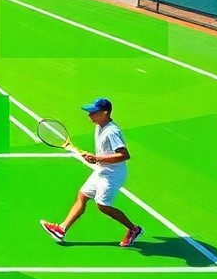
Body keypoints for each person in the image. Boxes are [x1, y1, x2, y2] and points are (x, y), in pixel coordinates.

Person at [40, 97, 144, 247]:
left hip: (113, 174)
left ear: (105, 113)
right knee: (82, 196)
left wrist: (97, 158)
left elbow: (124, 155)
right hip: (102, 169)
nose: (89, 115)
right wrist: (94, 158)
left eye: (93, 112)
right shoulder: (99, 126)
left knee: (102, 206)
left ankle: (134, 229)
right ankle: (61, 229)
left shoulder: (111, 132)